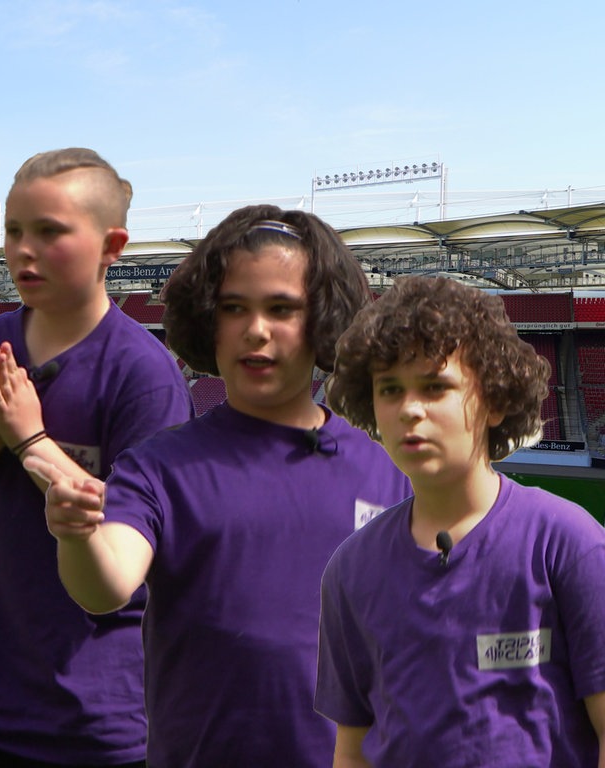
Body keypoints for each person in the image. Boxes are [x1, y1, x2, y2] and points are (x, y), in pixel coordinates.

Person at [28, 204, 411, 768]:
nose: (256, 329)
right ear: (210, 320)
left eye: (282, 308)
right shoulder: (159, 466)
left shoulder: (390, 473)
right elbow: (105, 586)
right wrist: (78, 535)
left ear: (323, 322)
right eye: (235, 308)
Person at [0, 148, 193, 768]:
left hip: (91, 727)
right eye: (13, 230)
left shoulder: (144, 376)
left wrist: (33, 443)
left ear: (111, 245)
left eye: (49, 232)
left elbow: (127, 557)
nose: (23, 250)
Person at [315, 275, 605, 768]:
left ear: (493, 401)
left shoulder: (569, 545)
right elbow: (352, 749)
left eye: (435, 387)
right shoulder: (350, 569)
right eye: (389, 389)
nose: (409, 409)